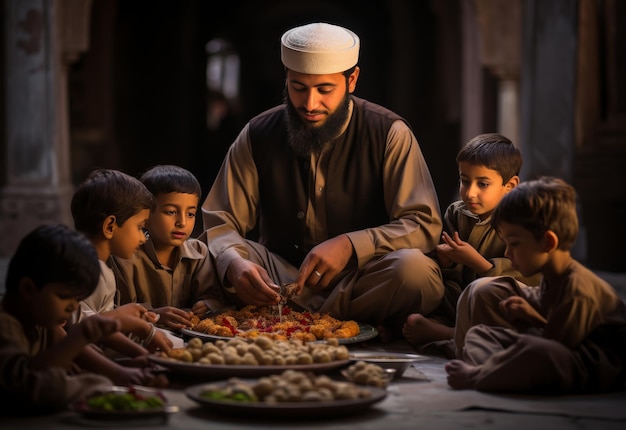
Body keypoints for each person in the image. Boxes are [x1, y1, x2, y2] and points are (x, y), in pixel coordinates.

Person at [200, 22, 443, 340]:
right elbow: (221, 221)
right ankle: (362, 323)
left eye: (325, 90)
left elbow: (423, 224)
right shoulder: (258, 134)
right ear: (286, 78)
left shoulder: (389, 133)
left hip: (360, 278)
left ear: (351, 79)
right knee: (202, 255)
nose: (310, 104)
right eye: (298, 87)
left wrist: (350, 245)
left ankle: (293, 317)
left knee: (415, 272)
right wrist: (234, 263)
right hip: (280, 279)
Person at [445, 177, 626, 393]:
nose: (507, 253)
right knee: (480, 335)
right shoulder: (551, 277)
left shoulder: (578, 289)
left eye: (514, 244)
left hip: (590, 367)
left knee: (534, 350)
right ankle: (497, 372)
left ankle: (479, 376)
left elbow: (555, 347)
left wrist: (530, 320)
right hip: (553, 348)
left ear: (548, 242)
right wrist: (528, 317)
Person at [0, 224, 166, 415]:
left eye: (77, 299)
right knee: (85, 383)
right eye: (64, 296)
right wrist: (80, 336)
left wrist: (121, 373)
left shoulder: (42, 320)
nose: (73, 307)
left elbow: (77, 353)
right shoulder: (6, 325)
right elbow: (24, 384)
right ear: (28, 289)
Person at [402, 133, 541, 351]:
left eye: (483, 184)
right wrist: (446, 262)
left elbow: (529, 278)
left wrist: (477, 262)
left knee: (496, 299)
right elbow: (449, 278)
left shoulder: (523, 220)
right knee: (423, 281)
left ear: (510, 185)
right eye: (464, 181)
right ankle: (447, 328)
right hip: (459, 301)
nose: (470, 193)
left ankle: (449, 333)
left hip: (496, 303)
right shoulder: (457, 214)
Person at [71, 168, 173, 356]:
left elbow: (102, 319)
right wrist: (143, 338)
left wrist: (133, 317)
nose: (144, 238)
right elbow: (85, 328)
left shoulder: (103, 268)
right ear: (110, 226)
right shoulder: (84, 271)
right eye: (141, 227)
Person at [112, 165, 223, 331]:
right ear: (146, 216)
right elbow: (116, 313)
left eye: (190, 214)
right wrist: (154, 316)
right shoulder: (127, 257)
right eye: (171, 212)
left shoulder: (199, 253)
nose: (182, 222)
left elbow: (214, 295)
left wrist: (208, 304)